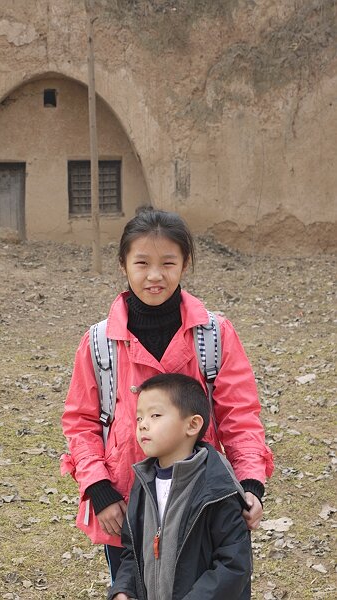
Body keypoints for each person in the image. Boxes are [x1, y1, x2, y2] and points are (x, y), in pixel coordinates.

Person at [61, 208, 273, 581]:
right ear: (123, 264)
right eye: (141, 262)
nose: (154, 275)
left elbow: (240, 416)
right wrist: (100, 490)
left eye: (168, 263)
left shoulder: (214, 335)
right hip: (125, 503)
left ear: (185, 264)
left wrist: (251, 483)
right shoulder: (98, 343)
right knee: (133, 585)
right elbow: (81, 422)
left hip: (203, 501)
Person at [109, 373, 252, 600]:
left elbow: (234, 564)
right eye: (139, 418)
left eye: (155, 415)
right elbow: (131, 552)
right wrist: (123, 590)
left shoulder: (216, 489)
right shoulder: (143, 483)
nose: (143, 425)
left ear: (192, 425)